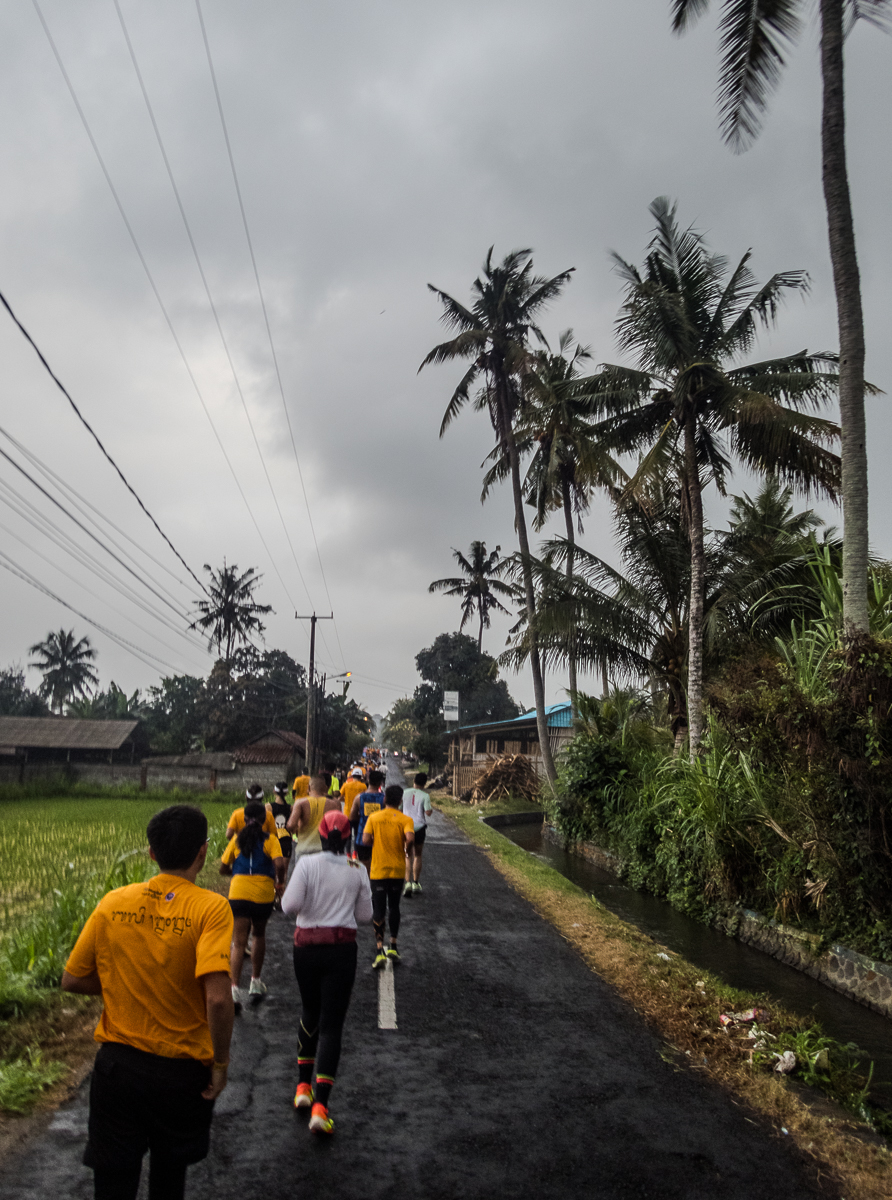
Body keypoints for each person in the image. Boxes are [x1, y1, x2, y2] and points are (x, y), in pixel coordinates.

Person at [61, 805, 233, 1200]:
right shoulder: (210, 908)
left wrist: (126, 985)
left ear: (152, 853)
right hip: (182, 1075)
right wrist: (220, 1065)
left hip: (117, 1070)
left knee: (112, 1182)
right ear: (203, 852)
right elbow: (219, 1000)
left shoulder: (113, 902)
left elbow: (72, 978)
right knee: (169, 1179)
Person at [282, 811, 372, 1135]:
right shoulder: (357, 868)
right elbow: (365, 915)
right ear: (348, 838)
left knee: (310, 1011)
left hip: (305, 950)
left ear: (320, 836)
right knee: (332, 1026)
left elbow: (289, 906)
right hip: (341, 952)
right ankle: (321, 1108)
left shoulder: (306, 864)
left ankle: (302, 1089)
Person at [219, 801, 285, 1010]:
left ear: (244, 819)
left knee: (238, 943)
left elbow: (223, 867)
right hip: (262, 893)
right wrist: (279, 881)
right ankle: (255, 982)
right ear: (265, 819)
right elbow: (279, 863)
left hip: (237, 892)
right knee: (258, 934)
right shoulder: (271, 839)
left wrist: (235, 875)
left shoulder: (237, 840)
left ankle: (234, 990)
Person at [363, 784, 414, 969]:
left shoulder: (374, 818)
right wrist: (405, 849)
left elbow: (365, 840)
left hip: (378, 870)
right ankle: (393, 946)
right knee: (394, 906)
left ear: (384, 800)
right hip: (397, 870)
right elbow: (410, 838)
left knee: (378, 907)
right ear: (400, 801)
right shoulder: (405, 819)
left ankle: (379, 950)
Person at [286, 774, 342, 858]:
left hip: (304, 848)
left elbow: (290, 825)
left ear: (308, 788)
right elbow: (337, 827)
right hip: (323, 850)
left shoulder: (300, 803)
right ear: (325, 788)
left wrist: (296, 831)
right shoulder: (333, 805)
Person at [402, 772, 433, 895]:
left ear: (414, 780)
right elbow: (428, 812)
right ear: (425, 784)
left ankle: (407, 882)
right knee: (418, 855)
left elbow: (399, 808)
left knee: (407, 855)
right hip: (420, 827)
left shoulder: (404, 793)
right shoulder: (425, 796)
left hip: (406, 828)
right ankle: (415, 883)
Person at [349, 769, 384, 868]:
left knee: (363, 865)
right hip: (379, 836)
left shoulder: (359, 798)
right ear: (380, 783)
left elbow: (352, 817)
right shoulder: (385, 799)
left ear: (368, 780)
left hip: (362, 835)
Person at [270, 782, 293, 863]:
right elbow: (293, 826)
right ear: (286, 793)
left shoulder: (268, 807)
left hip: (273, 839)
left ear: (274, 791)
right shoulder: (290, 808)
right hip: (286, 840)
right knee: (284, 872)